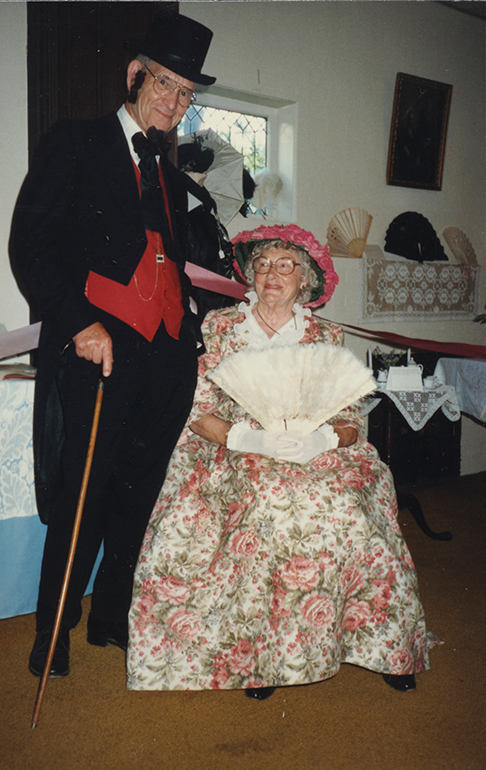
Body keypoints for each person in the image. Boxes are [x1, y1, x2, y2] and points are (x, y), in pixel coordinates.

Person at [127, 224, 436, 699]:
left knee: (348, 511)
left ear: (306, 278)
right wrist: (248, 437)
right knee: (270, 502)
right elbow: (196, 409)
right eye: (263, 265)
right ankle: (268, 658)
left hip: (314, 446)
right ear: (250, 276)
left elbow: (350, 413)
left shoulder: (325, 333)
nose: (272, 273)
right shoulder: (222, 326)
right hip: (237, 446)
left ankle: (383, 644)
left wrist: (324, 439)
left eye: (286, 265)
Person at [9, 13, 216, 679]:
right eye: (164, 82)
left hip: (165, 357)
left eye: (186, 92)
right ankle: (54, 632)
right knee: (84, 496)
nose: (173, 100)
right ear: (136, 76)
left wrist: (192, 332)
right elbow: (30, 246)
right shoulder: (75, 141)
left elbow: (169, 261)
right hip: (99, 349)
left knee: (139, 492)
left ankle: (112, 615)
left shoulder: (169, 171)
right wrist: (78, 322)